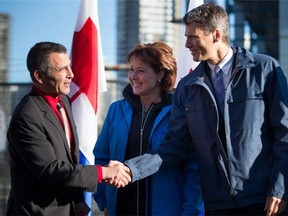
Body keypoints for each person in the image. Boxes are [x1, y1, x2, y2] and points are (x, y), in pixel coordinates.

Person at [125, 3, 288, 216]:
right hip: (217, 204)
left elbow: (284, 134)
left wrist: (280, 188)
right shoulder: (187, 87)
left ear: (216, 35)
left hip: (264, 201)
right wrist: (133, 169)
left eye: (193, 37)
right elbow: (174, 146)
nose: (187, 44)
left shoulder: (265, 70)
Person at [6, 41, 131, 216]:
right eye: (62, 69)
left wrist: (78, 199)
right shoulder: (26, 116)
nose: (71, 74)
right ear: (39, 76)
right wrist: (104, 172)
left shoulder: (63, 101)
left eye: (70, 67)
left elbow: (69, 158)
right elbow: (51, 170)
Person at [93, 41, 203, 215]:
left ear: (160, 74)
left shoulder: (179, 113)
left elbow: (194, 168)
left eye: (141, 71)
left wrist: (191, 212)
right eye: (131, 69)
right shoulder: (116, 110)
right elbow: (101, 156)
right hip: (120, 209)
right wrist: (103, 201)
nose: (133, 76)